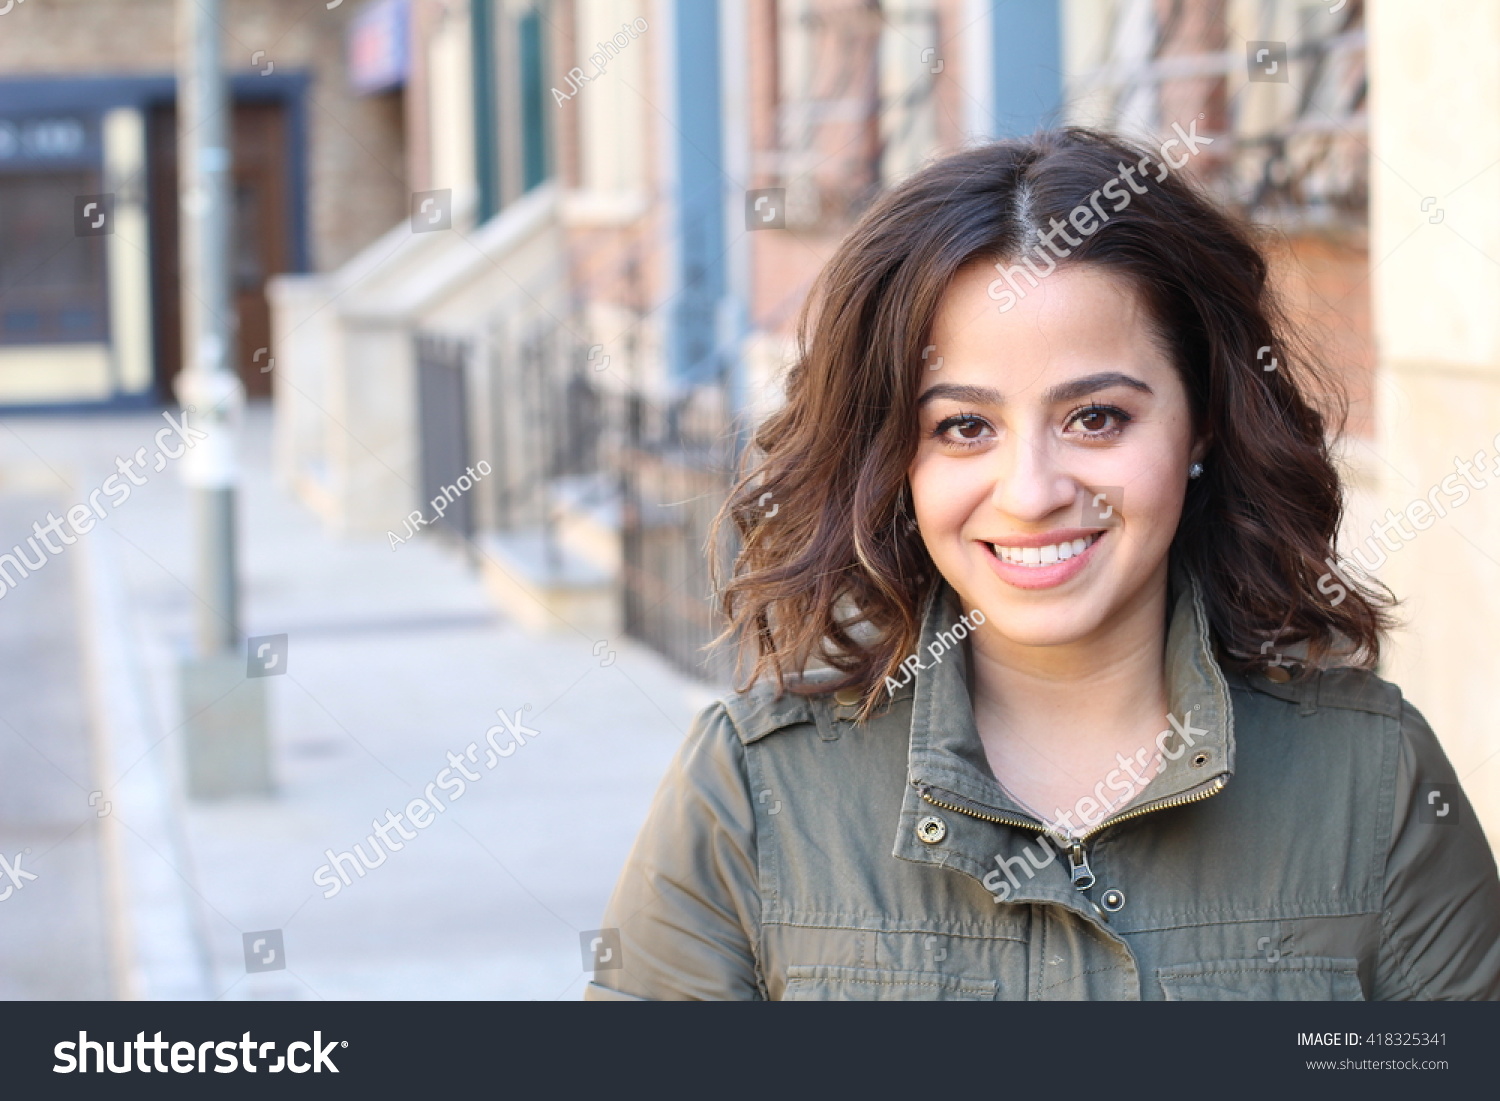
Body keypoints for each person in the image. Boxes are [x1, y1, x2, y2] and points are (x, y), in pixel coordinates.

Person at [584, 127, 1500, 1001]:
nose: (1030, 491)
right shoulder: (752, 792)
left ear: (1203, 422)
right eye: (964, 427)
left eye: (1096, 416)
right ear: (895, 456)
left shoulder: (1374, 780)